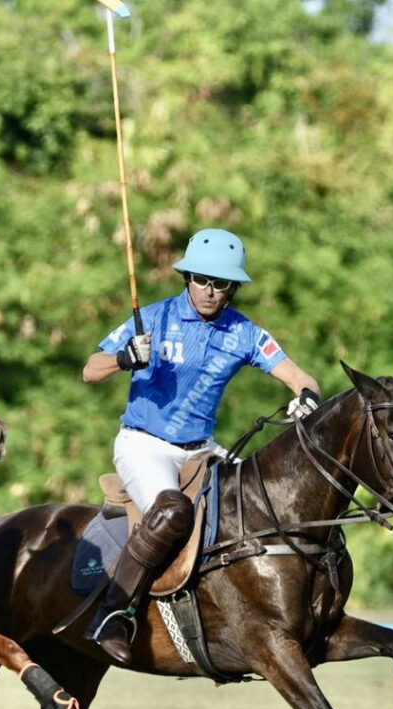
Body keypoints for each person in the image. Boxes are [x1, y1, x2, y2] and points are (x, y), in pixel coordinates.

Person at [81, 227, 321, 664]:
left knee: (257, 502)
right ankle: (114, 612)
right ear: (186, 277)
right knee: (171, 512)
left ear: (233, 288)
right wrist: (122, 359)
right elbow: (89, 369)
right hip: (144, 445)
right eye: (202, 280)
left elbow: (302, 378)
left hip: (201, 449)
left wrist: (307, 398)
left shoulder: (244, 333)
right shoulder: (152, 318)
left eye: (221, 283)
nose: (210, 291)